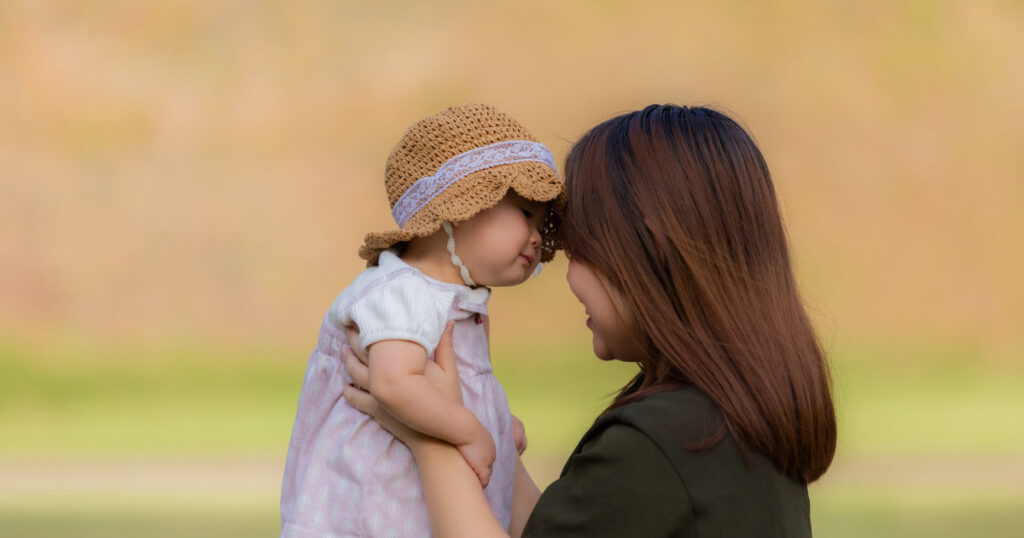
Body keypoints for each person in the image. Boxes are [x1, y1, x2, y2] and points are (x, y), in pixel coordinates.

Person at [342, 104, 838, 537]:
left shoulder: (664, 442)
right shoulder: (730, 413)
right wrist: (489, 438)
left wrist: (433, 437)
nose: (566, 271)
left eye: (578, 248)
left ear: (648, 248)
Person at [280, 103, 565, 537]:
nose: (533, 235)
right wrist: (472, 431)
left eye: (541, 223)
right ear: (457, 206)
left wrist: (496, 419)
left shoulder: (453, 301)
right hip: (373, 504)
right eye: (525, 213)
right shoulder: (402, 290)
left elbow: (454, 386)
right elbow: (395, 383)